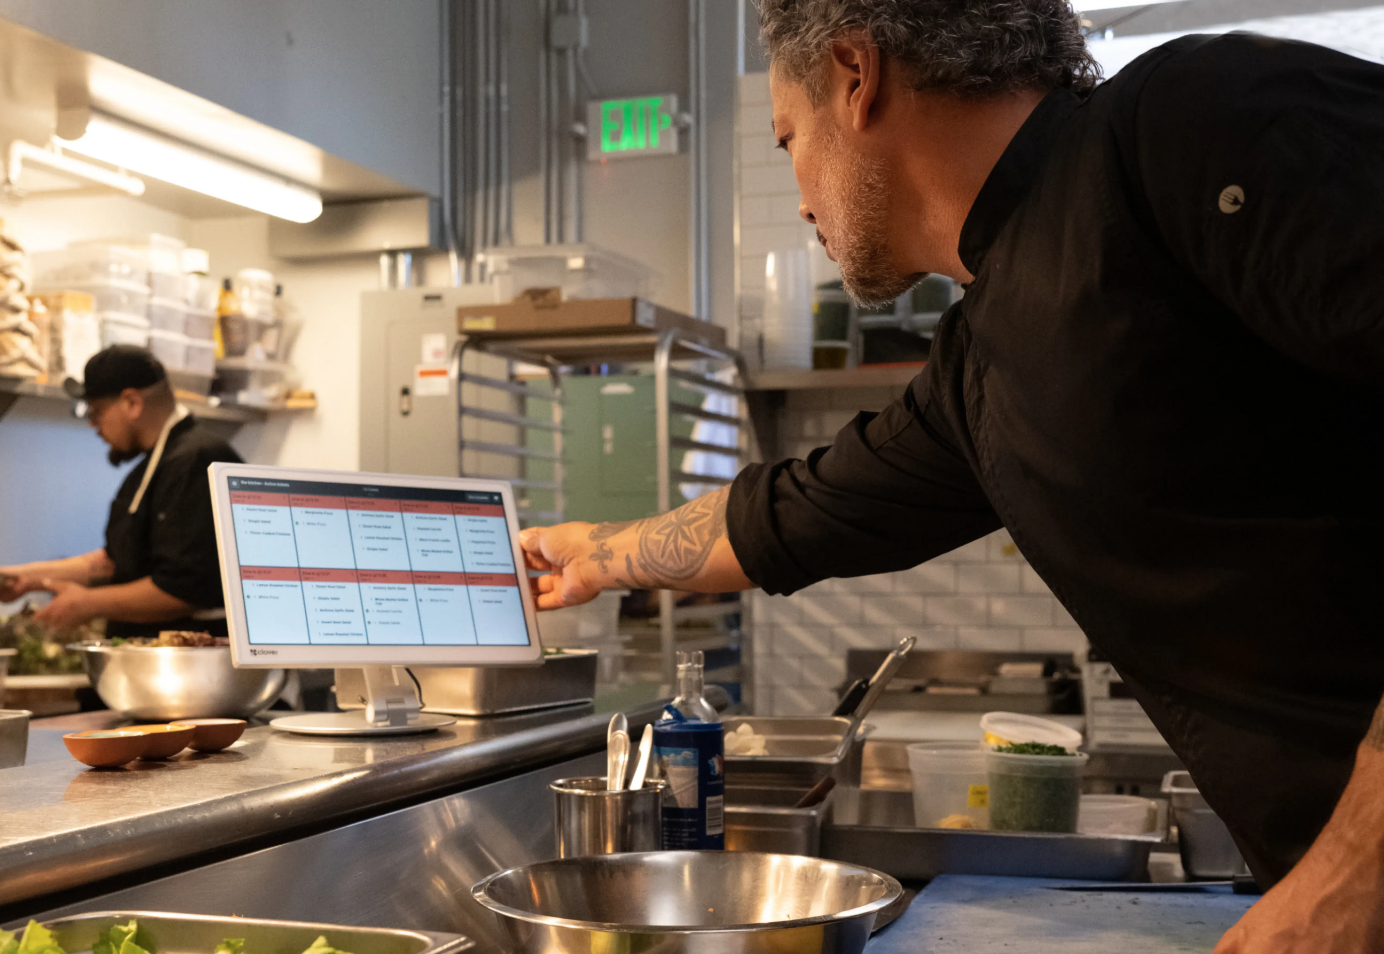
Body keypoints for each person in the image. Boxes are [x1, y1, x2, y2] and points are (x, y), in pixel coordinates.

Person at [518, 3, 1384, 951]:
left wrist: (1351, 873)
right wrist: (596, 554)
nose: (801, 195)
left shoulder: (1192, 123)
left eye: (788, 139)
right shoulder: (982, 361)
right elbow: (805, 510)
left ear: (856, 75)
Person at [0, 345, 242, 639]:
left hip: (191, 666)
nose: (93, 425)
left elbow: (184, 590)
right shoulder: (152, 468)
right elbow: (114, 561)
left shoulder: (195, 461)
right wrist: (24, 578)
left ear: (131, 403)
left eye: (96, 411)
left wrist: (87, 604)